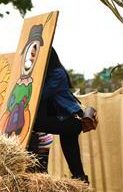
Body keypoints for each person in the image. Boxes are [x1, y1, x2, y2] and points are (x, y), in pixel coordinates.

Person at [31, 47, 97, 182]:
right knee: (72, 156)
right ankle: (81, 182)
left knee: (33, 125)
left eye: (33, 55)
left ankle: (38, 171)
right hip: (65, 120)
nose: (30, 58)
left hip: (70, 120)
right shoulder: (46, 74)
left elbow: (40, 95)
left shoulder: (57, 74)